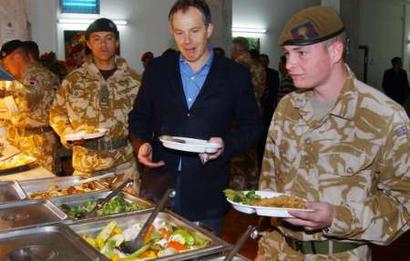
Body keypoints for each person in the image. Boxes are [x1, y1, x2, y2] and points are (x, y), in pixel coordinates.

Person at [257, 6, 410, 260]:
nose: (289, 64)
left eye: (301, 53)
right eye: (287, 54)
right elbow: (269, 182)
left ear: (335, 51)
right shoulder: (287, 108)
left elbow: (403, 205)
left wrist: (336, 217)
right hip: (278, 251)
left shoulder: (384, 116)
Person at [128, 0, 262, 235]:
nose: (187, 41)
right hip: (158, 185)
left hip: (207, 191)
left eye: (195, 31)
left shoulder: (234, 75)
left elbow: (252, 126)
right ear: (172, 33)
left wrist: (226, 145)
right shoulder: (158, 69)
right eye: (179, 32)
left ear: (209, 29)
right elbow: (138, 116)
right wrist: (142, 144)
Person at [50, 18, 141, 191]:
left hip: (123, 167)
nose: (103, 44)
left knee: (127, 216)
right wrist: (68, 133)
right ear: (89, 44)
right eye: (97, 39)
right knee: (86, 215)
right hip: (86, 167)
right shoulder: (74, 80)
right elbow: (56, 113)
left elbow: (145, 117)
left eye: (108, 38)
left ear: (117, 42)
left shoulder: (134, 80)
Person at [0, 39, 59, 173]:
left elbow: (27, 106)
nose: (6, 68)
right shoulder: (26, 78)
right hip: (30, 141)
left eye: (6, 63)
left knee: (41, 185)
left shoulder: (37, 76)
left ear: (17, 57)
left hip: (38, 143)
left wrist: (8, 113)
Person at [231, 36, 266, 110]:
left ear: (236, 49)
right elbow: (261, 90)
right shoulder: (259, 66)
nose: (231, 52)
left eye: (232, 49)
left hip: (238, 109)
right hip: (255, 108)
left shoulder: (235, 66)